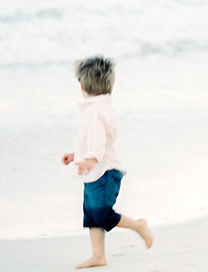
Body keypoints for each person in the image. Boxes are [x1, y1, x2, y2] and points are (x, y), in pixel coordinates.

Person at [61, 56, 154, 268]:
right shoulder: (97, 109)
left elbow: (98, 142)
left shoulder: (94, 112)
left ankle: (138, 225)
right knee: (92, 215)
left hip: (104, 172)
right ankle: (98, 256)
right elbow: (91, 141)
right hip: (95, 171)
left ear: (82, 86)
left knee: (102, 214)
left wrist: (90, 160)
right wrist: (76, 156)